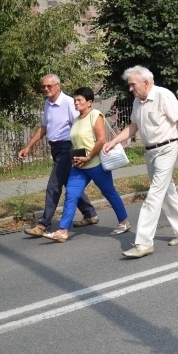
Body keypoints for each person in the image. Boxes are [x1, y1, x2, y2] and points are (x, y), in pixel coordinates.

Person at [103, 66, 178, 258]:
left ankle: (144, 242)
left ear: (146, 82)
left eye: (132, 85)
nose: (130, 89)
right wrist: (114, 141)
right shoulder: (138, 101)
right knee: (167, 192)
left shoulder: (164, 95)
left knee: (154, 194)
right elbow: (133, 126)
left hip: (167, 148)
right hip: (150, 152)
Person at [42, 88, 131, 242]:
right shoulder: (77, 120)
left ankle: (124, 222)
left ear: (89, 102)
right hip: (80, 167)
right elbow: (77, 142)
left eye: (79, 100)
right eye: (75, 100)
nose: (76, 103)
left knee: (109, 192)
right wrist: (74, 158)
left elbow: (101, 140)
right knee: (71, 195)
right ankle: (63, 230)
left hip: (95, 164)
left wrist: (89, 156)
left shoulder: (95, 115)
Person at [19, 74, 99, 237]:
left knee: (53, 185)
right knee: (68, 182)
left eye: (49, 86)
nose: (46, 89)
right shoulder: (48, 103)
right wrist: (28, 146)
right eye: (43, 86)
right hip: (55, 147)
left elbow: (79, 126)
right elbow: (44, 128)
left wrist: (80, 152)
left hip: (67, 147)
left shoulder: (69, 103)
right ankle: (90, 213)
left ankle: (43, 224)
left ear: (58, 86)